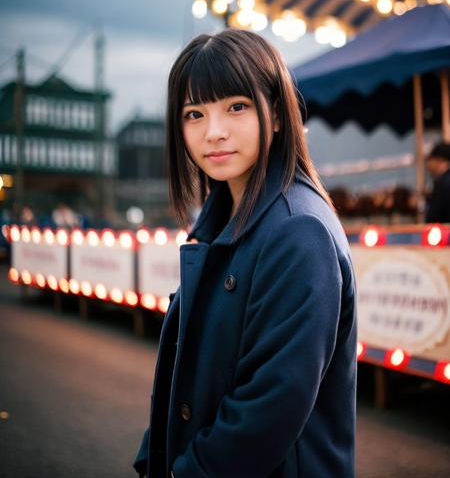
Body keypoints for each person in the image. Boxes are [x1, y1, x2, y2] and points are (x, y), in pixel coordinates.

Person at [134, 29, 357, 478]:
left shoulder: (299, 229)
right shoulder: (224, 221)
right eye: (194, 114)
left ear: (275, 113)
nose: (213, 133)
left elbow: (270, 407)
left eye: (236, 107)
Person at [425, 142, 450, 223]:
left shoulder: (443, 183)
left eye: (430, 160)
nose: (428, 165)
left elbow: (434, 216)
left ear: (439, 160)